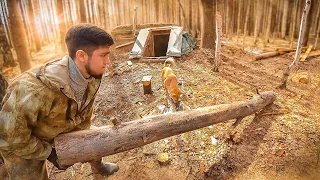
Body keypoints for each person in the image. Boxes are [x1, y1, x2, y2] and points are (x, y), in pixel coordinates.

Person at [0, 23, 119, 179]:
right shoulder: (35, 90)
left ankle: (98, 167)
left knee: (95, 136)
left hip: (58, 125)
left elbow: (84, 115)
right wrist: (50, 153)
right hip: (23, 141)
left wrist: (86, 141)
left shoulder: (92, 75)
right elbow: (12, 138)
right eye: (103, 55)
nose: (108, 62)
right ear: (81, 56)